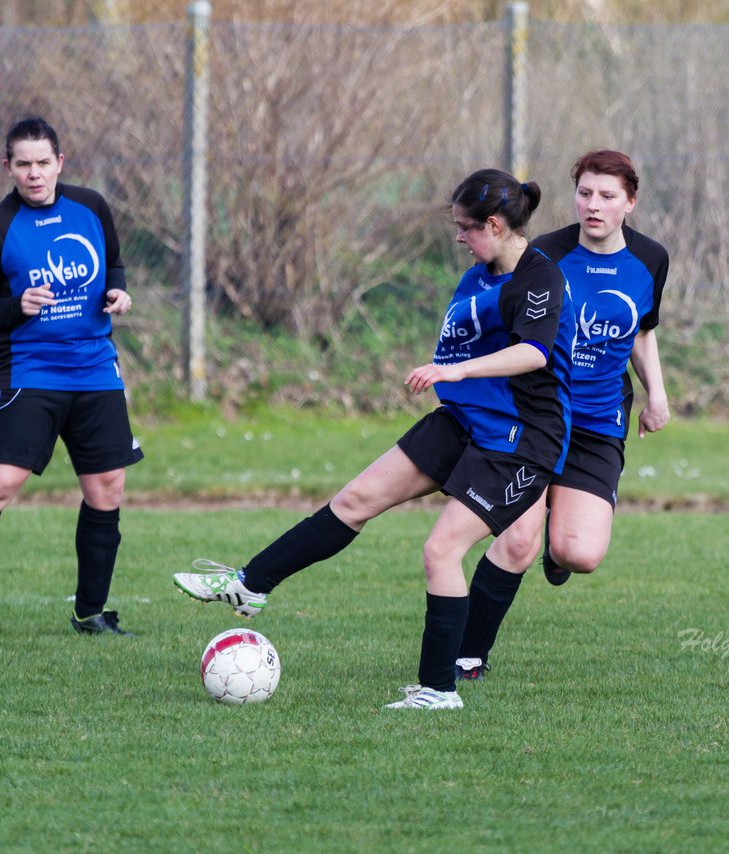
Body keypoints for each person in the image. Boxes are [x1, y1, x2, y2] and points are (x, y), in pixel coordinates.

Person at [172, 168, 573, 709]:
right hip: (465, 421)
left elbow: (535, 353)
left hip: (520, 440)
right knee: (355, 500)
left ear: (495, 225)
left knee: (441, 550)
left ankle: (438, 691)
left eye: (465, 228)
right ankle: (252, 583)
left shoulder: (539, 277)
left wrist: (455, 372)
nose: (458, 237)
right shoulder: (480, 272)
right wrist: (455, 380)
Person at [0, 116, 144, 639]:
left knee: (107, 487)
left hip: (94, 369)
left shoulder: (92, 207)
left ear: (60, 162)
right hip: (29, 371)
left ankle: (91, 613)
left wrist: (118, 293)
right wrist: (16, 306)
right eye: (24, 164)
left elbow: (115, 267)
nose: (35, 174)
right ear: (8, 167)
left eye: (44, 163)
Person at [454, 149, 670, 680]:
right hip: (537, 418)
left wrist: (656, 394)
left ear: (631, 202)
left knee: (579, 554)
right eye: (585, 192)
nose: (593, 205)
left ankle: (560, 530)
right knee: (517, 541)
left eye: (607, 196)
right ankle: (468, 657)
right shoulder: (541, 255)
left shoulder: (651, 259)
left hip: (598, 422)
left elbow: (641, 329)